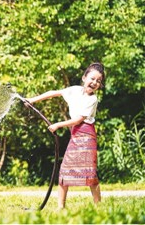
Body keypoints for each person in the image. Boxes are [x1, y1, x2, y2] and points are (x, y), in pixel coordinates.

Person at [26, 62, 105, 209]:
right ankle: (60, 207)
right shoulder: (74, 90)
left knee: (90, 173)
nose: (94, 82)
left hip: (86, 137)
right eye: (92, 78)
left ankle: (98, 207)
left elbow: (79, 120)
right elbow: (53, 93)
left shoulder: (92, 99)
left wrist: (58, 125)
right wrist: (32, 100)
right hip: (75, 135)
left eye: (98, 81)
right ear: (84, 77)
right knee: (64, 171)